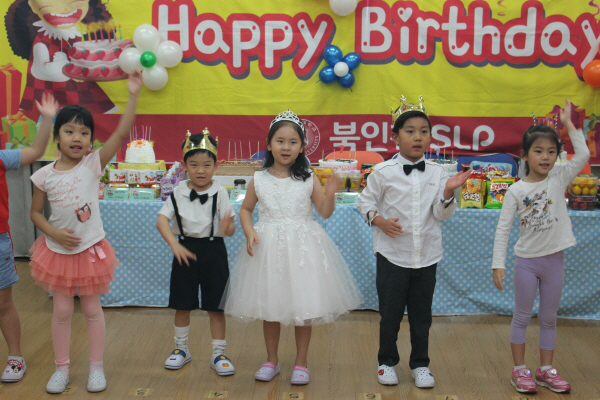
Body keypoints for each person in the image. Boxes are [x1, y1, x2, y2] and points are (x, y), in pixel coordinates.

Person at [223, 110, 362, 385]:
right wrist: (249, 232)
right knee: (270, 308)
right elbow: (246, 210)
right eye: (280, 141)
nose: (286, 147)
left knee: (304, 307)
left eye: (293, 142)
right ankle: (271, 360)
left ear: (301, 147)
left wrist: (331, 193)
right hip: (268, 250)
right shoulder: (259, 178)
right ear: (269, 144)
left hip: (302, 250)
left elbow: (324, 212)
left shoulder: (308, 177)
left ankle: (301, 361)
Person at [29, 71, 142, 394]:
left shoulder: (93, 164)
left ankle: (96, 368)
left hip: (90, 249)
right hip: (57, 252)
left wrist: (133, 94)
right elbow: (35, 214)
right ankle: (61, 369)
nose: (76, 138)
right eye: (69, 131)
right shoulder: (44, 176)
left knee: (92, 310)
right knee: (62, 311)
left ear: (91, 140)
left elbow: (120, 133)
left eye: (84, 132)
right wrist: (54, 233)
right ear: (57, 137)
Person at [357, 96, 472, 388]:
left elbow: (442, 214)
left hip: (427, 256)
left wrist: (448, 193)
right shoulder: (383, 172)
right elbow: (364, 203)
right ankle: (386, 362)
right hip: (392, 255)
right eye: (410, 131)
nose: (418, 137)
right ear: (395, 137)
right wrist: (379, 221)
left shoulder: (438, 172)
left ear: (430, 136)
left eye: (424, 131)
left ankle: (421, 364)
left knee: (422, 317)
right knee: (390, 315)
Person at [491, 99, 588, 395]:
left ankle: (546, 370)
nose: (545, 157)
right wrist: (498, 264)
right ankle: (519, 370)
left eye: (551, 151)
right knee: (522, 316)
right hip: (527, 263)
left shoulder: (559, 177)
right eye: (538, 151)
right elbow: (503, 229)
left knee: (549, 319)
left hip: (554, 262)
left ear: (557, 155)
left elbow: (584, 154)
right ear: (524, 155)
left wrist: (569, 125)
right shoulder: (516, 190)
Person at [155, 129, 236, 376]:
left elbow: (230, 230)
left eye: (207, 165)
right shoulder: (178, 191)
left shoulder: (220, 192)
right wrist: (174, 244)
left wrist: (227, 226)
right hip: (185, 251)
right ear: (184, 166)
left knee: (216, 307)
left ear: (216, 166)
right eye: (194, 165)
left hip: (214, 251)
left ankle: (219, 353)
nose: (201, 171)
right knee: (182, 304)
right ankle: (181, 349)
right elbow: (161, 220)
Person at [0, 93, 58, 383]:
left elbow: (35, 151)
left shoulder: (1, 158)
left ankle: (15, 357)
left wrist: (46, 119)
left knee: (3, 304)